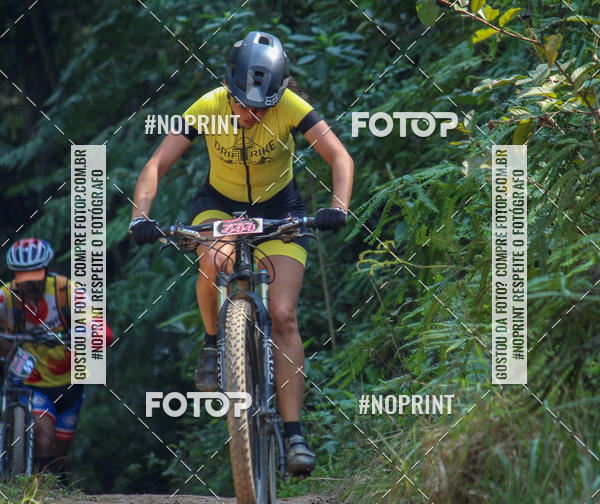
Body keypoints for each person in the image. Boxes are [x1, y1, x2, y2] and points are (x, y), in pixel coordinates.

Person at [129, 30, 354, 474]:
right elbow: (157, 163)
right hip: (219, 206)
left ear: (280, 94)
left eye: (261, 107)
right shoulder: (208, 106)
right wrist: (140, 216)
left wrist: (337, 207)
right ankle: (214, 344)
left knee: (285, 316)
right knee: (214, 259)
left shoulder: (292, 107)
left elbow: (340, 158)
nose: (249, 114)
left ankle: (294, 434)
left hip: (280, 210)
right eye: (241, 104)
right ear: (228, 88)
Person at [0, 238, 114, 478]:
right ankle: (27, 490)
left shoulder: (67, 292)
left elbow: (98, 326)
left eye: (35, 274)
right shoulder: (6, 297)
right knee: (44, 439)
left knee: (59, 453)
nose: (30, 283)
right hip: (32, 382)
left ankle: (48, 493)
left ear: (47, 271)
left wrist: (97, 334)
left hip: (70, 383)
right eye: (23, 277)